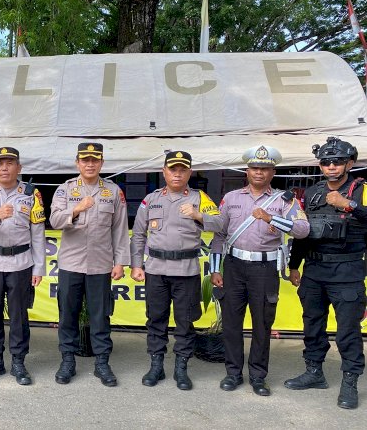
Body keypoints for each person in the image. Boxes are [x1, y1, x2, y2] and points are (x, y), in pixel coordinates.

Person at [209, 146, 310, 396]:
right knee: (232, 323)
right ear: (247, 170)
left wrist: (270, 218)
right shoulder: (231, 198)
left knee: (262, 325)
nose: (259, 172)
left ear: (272, 172)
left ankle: (257, 376)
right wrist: (214, 269)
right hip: (233, 267)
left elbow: (303, 229)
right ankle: (233, 373)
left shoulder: (285, 200)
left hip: (264, 269)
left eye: (264, 169)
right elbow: (219, 235)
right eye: (255, 168)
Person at [285, 137, 366, 410]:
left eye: (337, 162)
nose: (331, 167)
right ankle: (314, 372)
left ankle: (350, 382)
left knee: (347, 332)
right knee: (312, 325)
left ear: (350, 163)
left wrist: (349, 204)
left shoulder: (361, 189)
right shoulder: (313, 193)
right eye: (326, 162)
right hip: (315, 270)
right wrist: (294, 265)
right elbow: (302, 232)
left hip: (347, 270)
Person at [130, 151, 222, 390]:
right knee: (156, 319)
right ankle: (156, 366)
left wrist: (198, 215)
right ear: (164, 172)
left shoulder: (199, 197)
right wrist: (137, 264)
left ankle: (181, 368)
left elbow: (221, 224)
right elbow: (138, 234)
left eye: (183, 169)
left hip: (186, 270)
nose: (177, 173)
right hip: (156, 269)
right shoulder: (151, 199)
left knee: (185, 322)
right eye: (173, 169)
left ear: (190, 172)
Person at [50, 142, 130, 387]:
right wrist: (76, 209)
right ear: (77, 163)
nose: (90, 164)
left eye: (95, 160)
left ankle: (102, 362)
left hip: (101, 264)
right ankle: (67, 361)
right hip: (71, 264)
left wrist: (121, 262)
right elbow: (54, 220)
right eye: (85, 160)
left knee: (100, 315)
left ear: (102, 163)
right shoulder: (65, 190)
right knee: (68, 315)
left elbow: (120, 229)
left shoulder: (113, 191)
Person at [0, 147, 46, 386]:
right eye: (0, 163)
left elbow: (38, 233)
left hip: (21, 262)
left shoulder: (31, 194)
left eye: (10, 163)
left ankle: (18, 361)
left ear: (19, 168)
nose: (4, 167)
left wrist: (39, 268)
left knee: (18, 315)